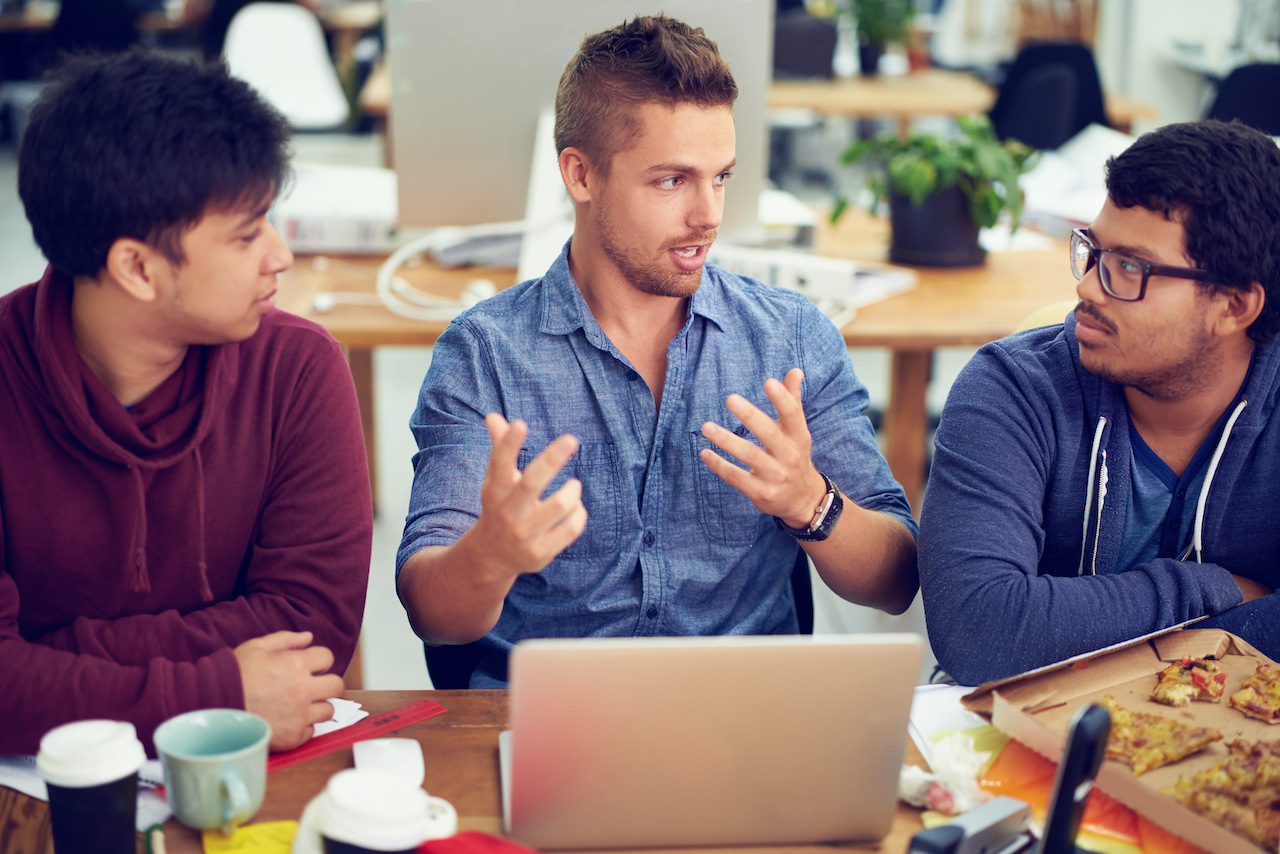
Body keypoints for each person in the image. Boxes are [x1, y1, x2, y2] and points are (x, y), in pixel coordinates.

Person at [396, 14, 918, 688]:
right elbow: (431, 613)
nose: (708, 215)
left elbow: (897, 580)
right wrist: (489, 556)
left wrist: (811, 501)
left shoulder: (790, 337)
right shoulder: (483, 355)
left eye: (721, 177)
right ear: (581, 175)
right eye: (672, 181)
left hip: (743, 719)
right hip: (553, 721)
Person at [0, 49, 372, 754]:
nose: (280, 256)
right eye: (245, 233)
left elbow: (313, 631)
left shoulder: (299, 368)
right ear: (136, 268)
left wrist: (48, 655)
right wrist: (219, 690)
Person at [918, 119, 1280, 686]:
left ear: (1233, 307)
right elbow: (979, 632)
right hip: (1013, 738)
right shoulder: (1011, 389)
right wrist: (1221, 590)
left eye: (1129, 267)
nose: (1087, 287)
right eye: (1093, 251)